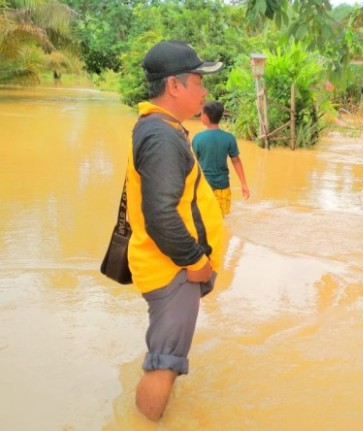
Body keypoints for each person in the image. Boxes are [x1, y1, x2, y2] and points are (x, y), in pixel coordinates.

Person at [126, 40, 224, 421]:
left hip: (168, 266)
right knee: (165, 362)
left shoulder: (161, 128)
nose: (204, 92)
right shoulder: (162, 137)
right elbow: (161, 216)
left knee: (166, 357)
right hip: (174, 270)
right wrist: (196, 262)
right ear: (175, 86)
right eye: (199, 83)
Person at [192, 101, 250, 216]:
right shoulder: (229, 138)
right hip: (223, 186)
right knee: (221, 219)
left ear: (206, 117)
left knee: (204, 218)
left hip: (203, 186)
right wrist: (244, 184)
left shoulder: (197, 138)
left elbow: (193, 164)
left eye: (202, 113)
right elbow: (236, 161)